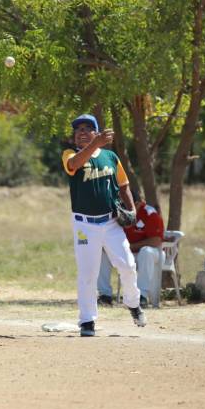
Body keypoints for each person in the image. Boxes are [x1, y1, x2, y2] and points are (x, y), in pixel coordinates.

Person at [60, 114, 146, 337]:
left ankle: (133, 304)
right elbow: (74, 165)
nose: (82, 131)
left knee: (127, 265)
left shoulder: (110, 156)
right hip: (84, 225)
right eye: (78, 129)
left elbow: (124, 184)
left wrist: (132, 209)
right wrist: (95, 144)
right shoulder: (70, 155)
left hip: (110, 222)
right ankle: (87, 321)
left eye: (88, 128)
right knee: (88, 274)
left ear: (97, 132)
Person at [97, 191, 165, 308]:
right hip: (127, 253)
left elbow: (156, 241)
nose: (123, 208)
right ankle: (105, 296)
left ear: (138, 204)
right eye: (121, 204)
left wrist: (132, 247)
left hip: (152, 253)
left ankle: (141, 297)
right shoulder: (117, 213)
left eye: (126, 205)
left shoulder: (149, 213)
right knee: (103, 253)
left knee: (146, 252)